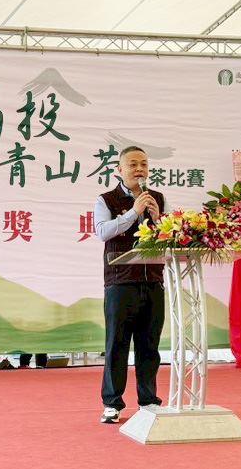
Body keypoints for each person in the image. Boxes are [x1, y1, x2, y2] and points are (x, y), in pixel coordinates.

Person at [94, 146, 165, 424]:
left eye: (143, 164)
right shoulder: (106, 199)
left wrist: (159, 220)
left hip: (153, 281)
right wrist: (133, 213)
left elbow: (171, 236)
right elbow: (103, 231)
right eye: (133, 164)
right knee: (117, 344)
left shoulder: (157, 198)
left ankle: (148, 401)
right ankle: (112, 403)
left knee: (149, 346)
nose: (139, 169)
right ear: (119, 170)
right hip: (120, 283)